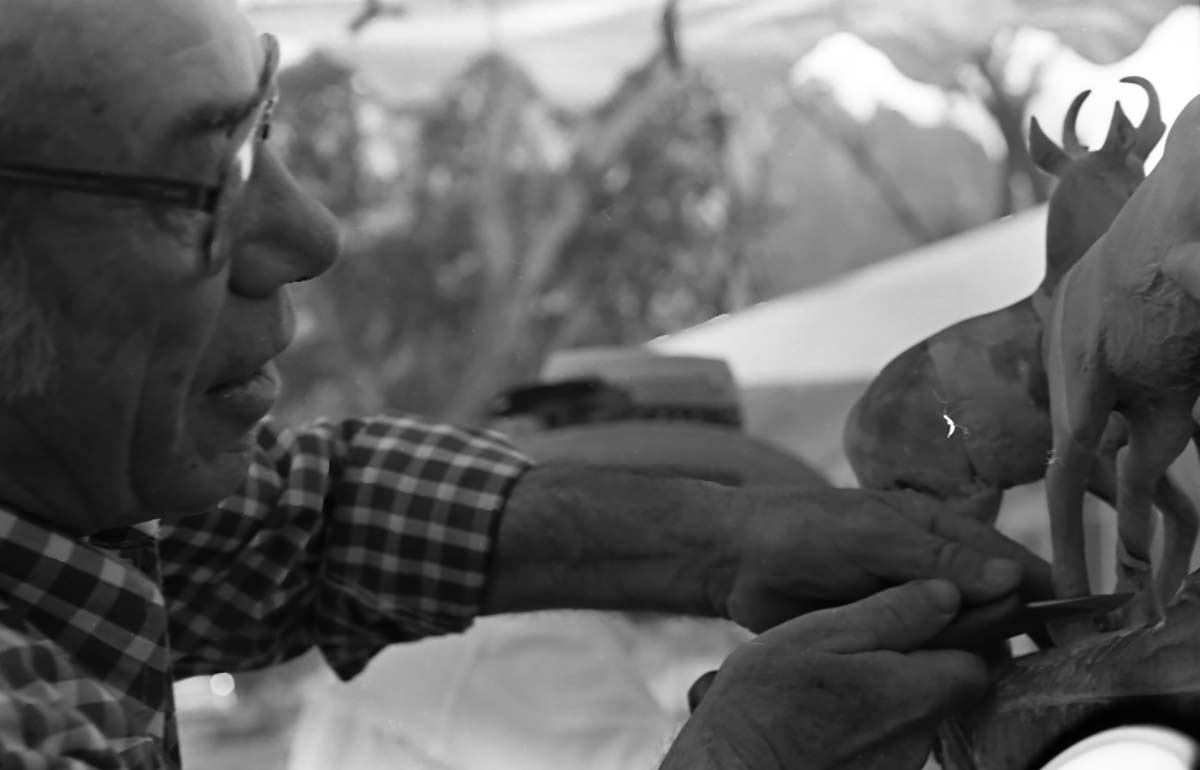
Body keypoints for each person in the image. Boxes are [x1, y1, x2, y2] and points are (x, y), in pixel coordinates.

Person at [0, 1, 1053, 769]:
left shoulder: (73, 500)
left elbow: (307, 521)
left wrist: (729, 541)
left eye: (263, 125)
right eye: (210, 181)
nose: (312, 235)